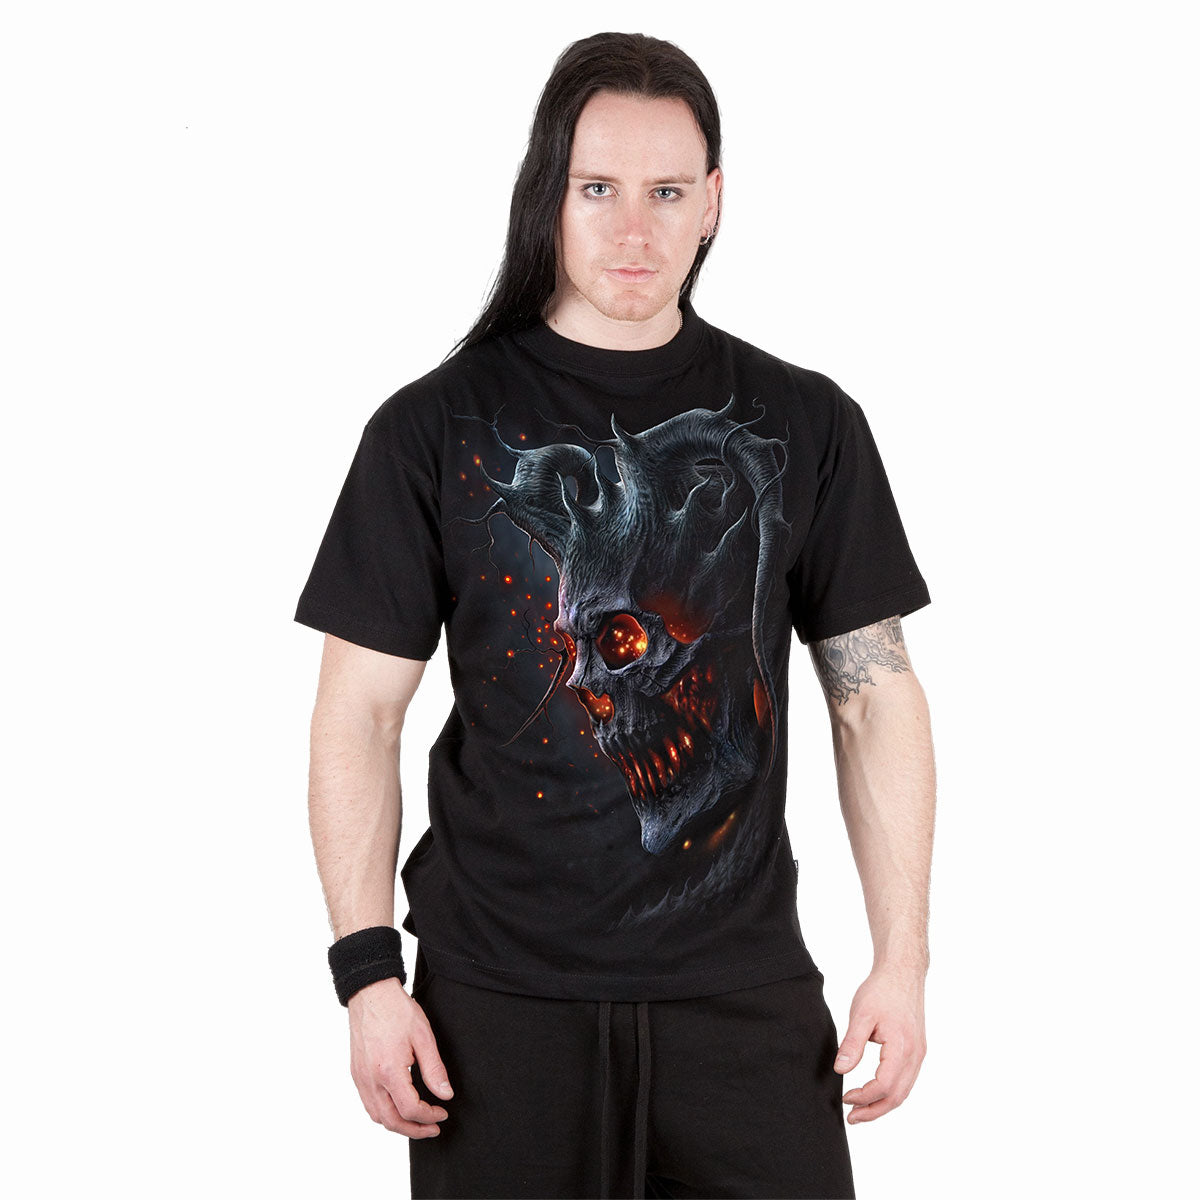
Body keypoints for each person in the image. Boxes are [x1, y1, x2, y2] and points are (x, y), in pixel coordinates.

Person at [295, 30, 935, 1200]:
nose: (634, 229)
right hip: (497, 1011)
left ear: (714, 202)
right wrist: (368, 975)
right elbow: (358, 715)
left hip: (743, 1004)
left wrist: (904, 960)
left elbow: (873, 699)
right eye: (598, 189)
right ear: (549, 193)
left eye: (666, 192)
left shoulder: (807, 423)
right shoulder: (431, 429)